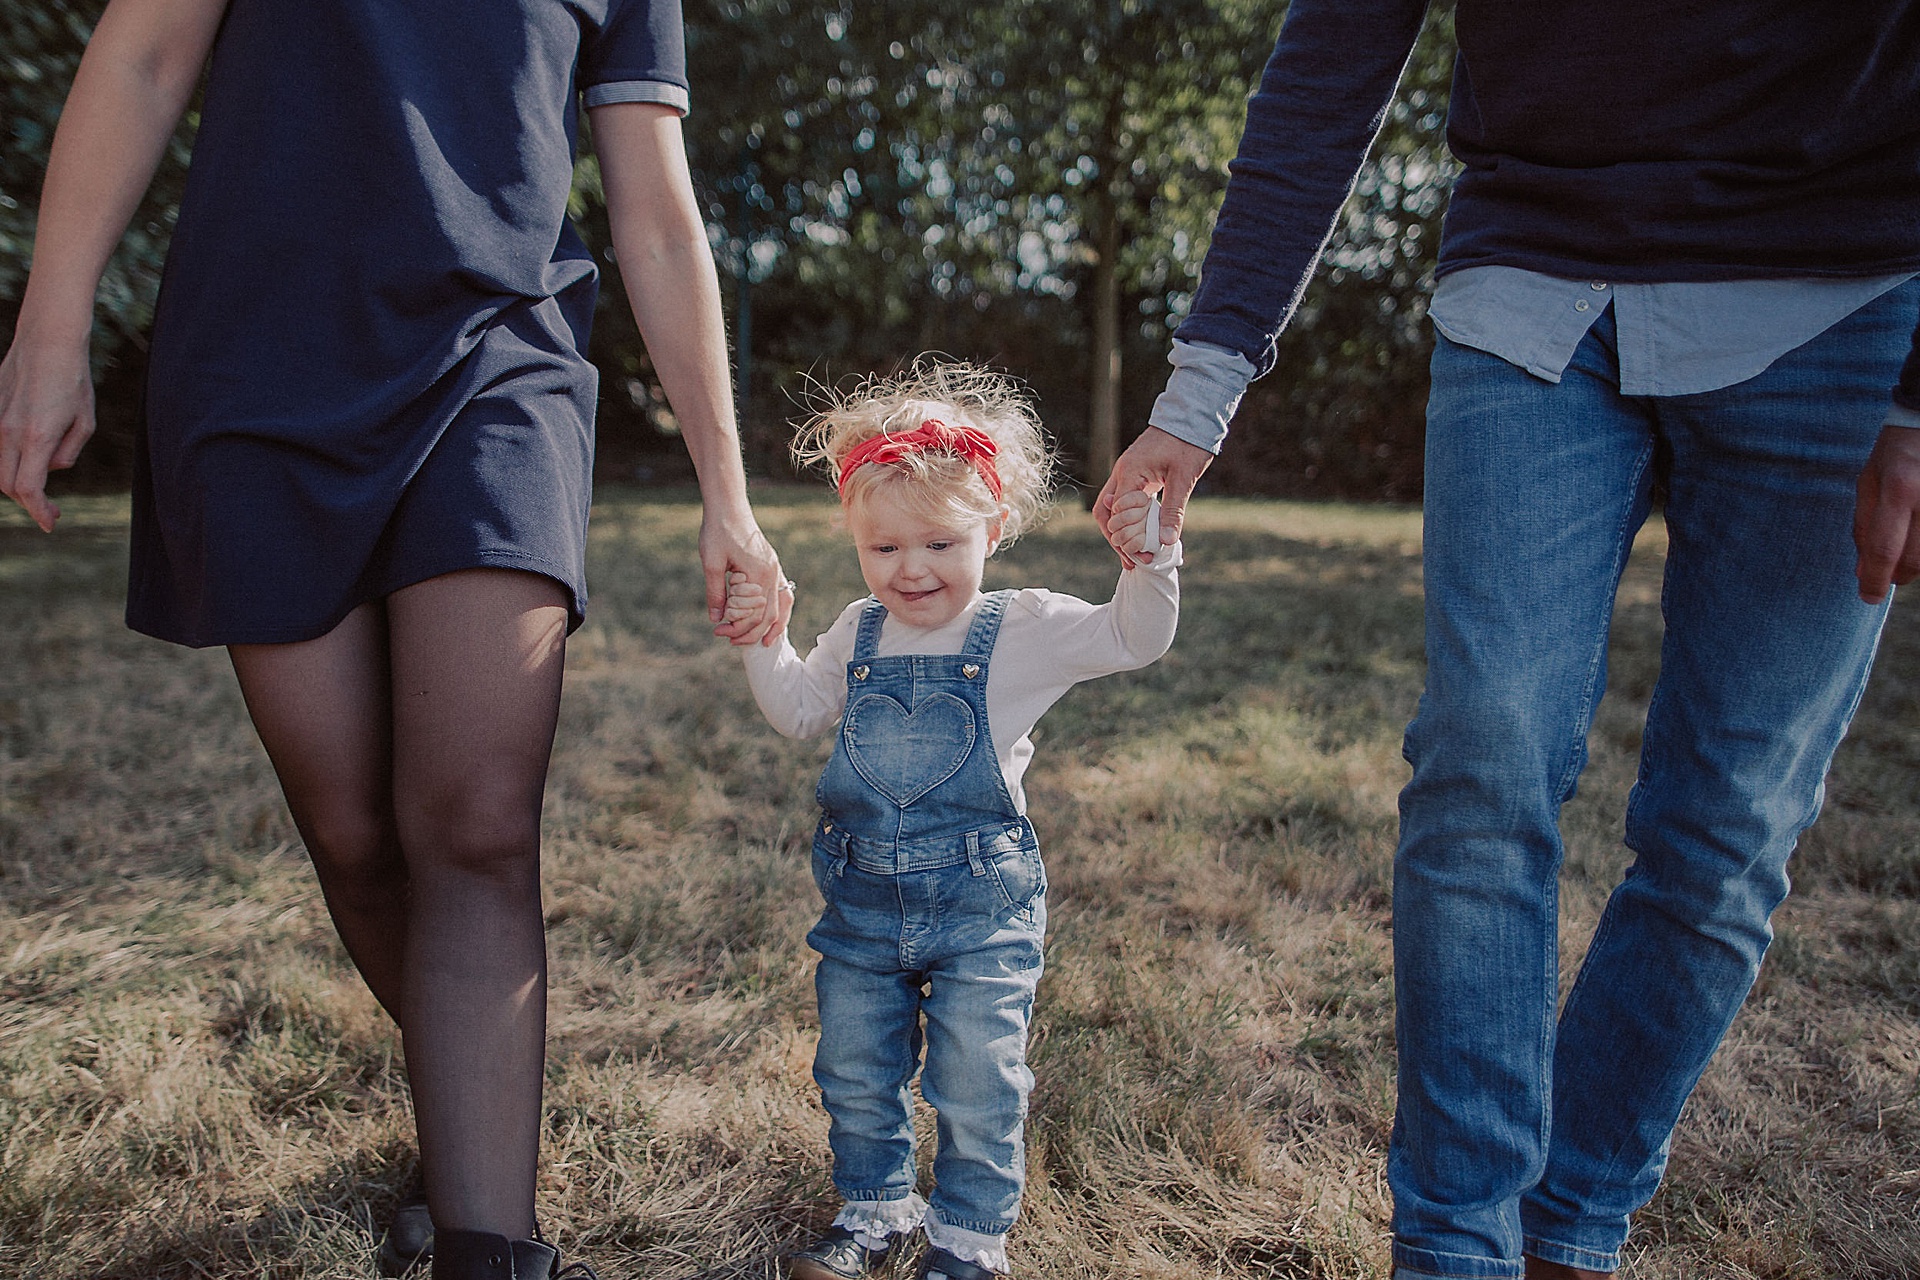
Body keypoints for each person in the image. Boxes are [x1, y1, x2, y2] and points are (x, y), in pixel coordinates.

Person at [1094, 4, 1920, 1279]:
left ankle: (1571, 1225)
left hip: (1844, 301)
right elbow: (1328, 69)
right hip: (1536, 275)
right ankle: (1455, 1249)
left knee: (1730, 829)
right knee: (1483, 760)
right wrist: (1200, 392)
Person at [0, 2, 788, 1277]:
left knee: (473, 820)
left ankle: (490, 1241)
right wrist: (51, 322)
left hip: (500, 358)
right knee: (356, 830)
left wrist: (728, 494)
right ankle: (466, 1098)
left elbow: (653, 205)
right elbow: (144, 57)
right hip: (258, 361)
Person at [720, 360, 1177, 1280]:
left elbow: (1136, 639)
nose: (911, 570)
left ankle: (968, 1240)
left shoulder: (1027, 627)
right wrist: (766, 638)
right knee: (854, 1071)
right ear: (855, 540)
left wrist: (1149, 559)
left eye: (938, 543)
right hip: (861, 909)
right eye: (883, 549)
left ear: (994, 528)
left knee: (976, 1079)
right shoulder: (857, 630)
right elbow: (803, 713)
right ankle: (876, 1210)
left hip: (983, 911)